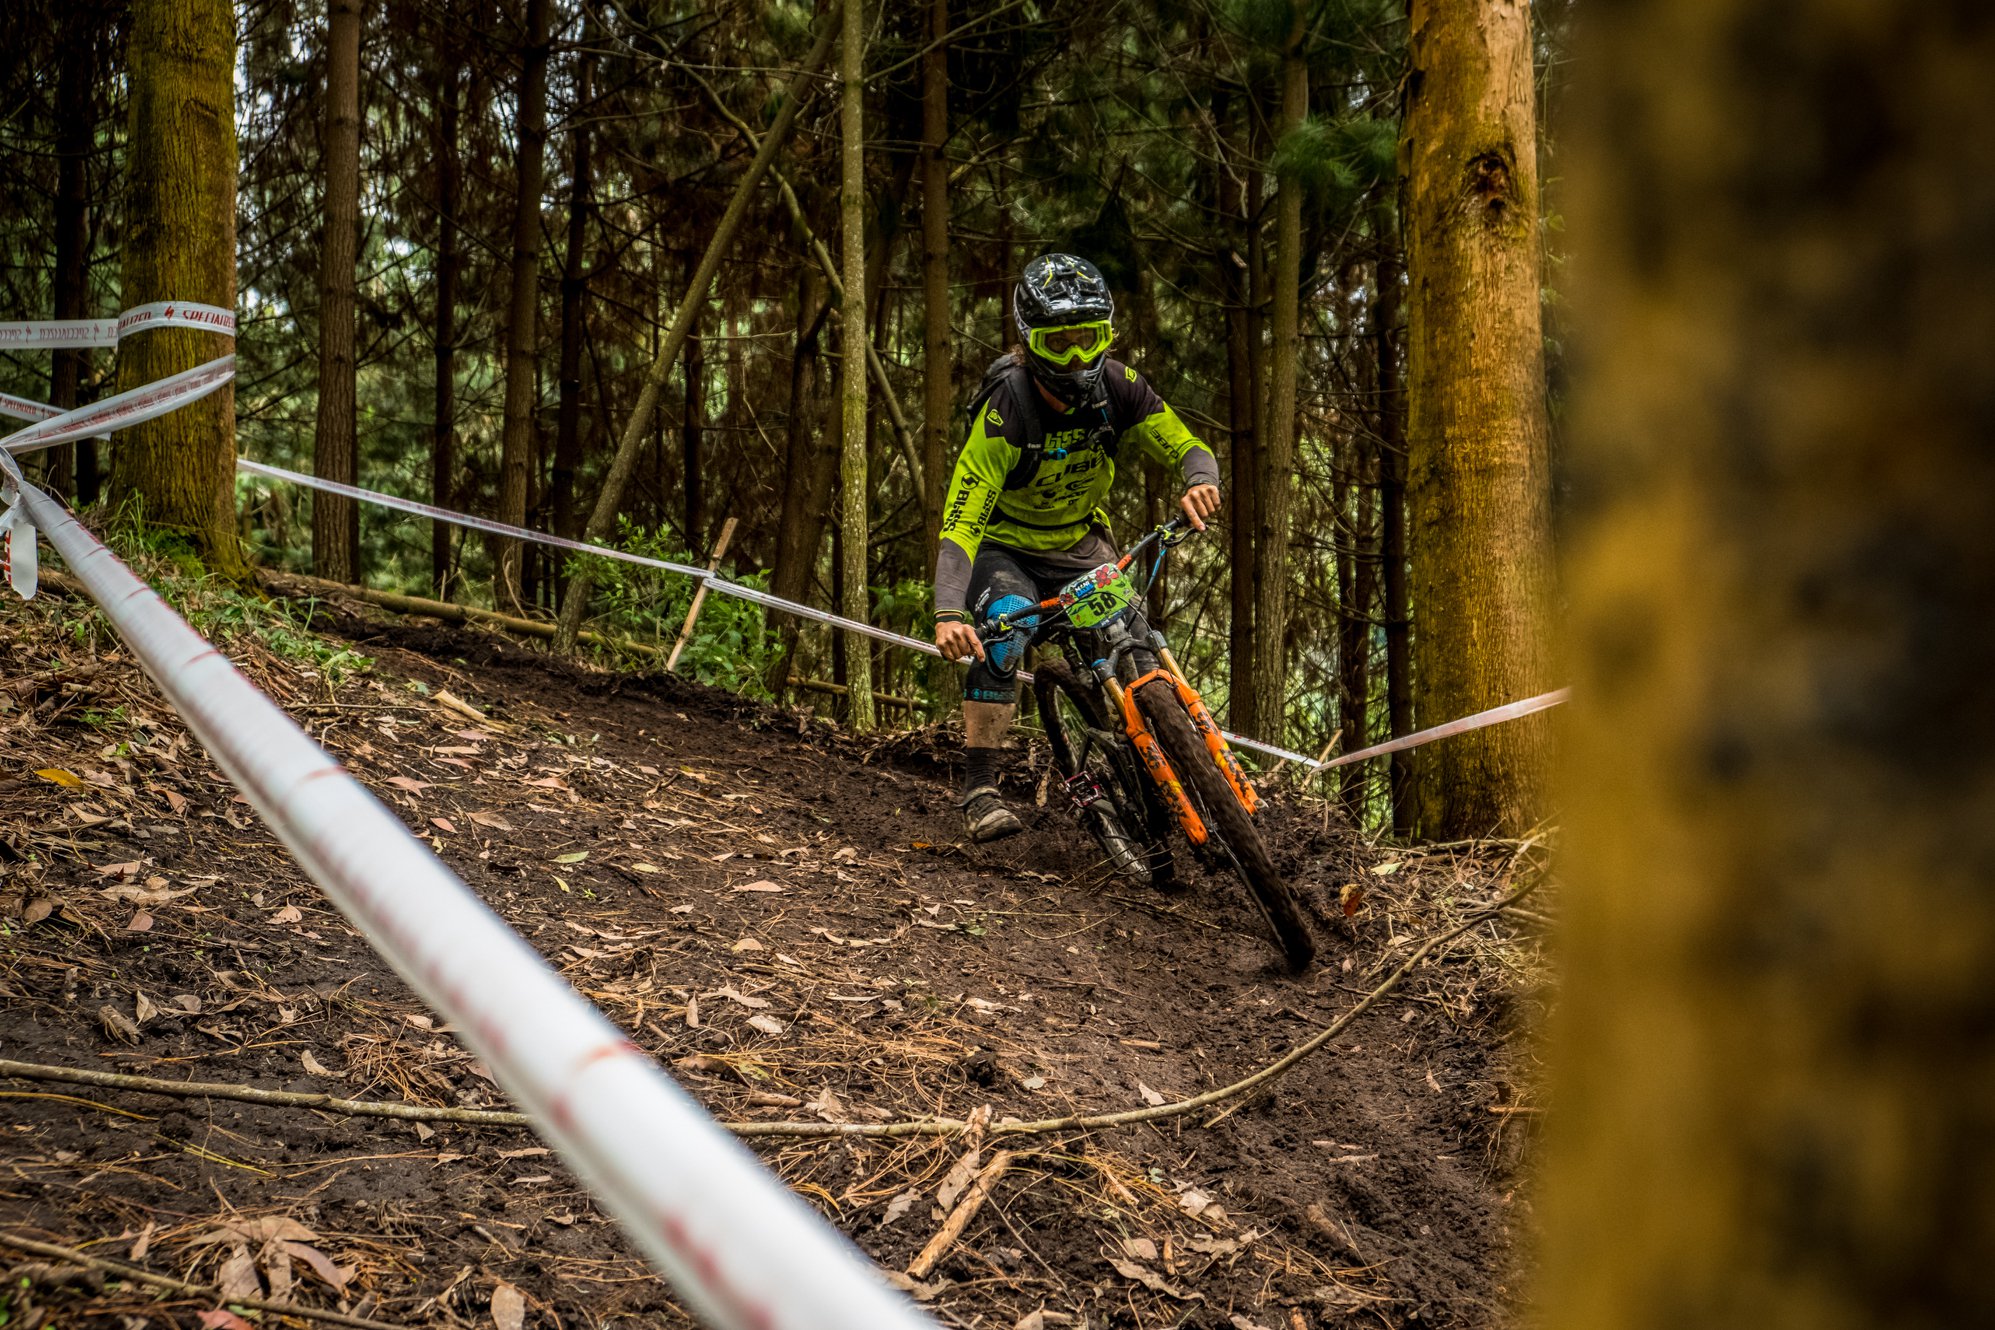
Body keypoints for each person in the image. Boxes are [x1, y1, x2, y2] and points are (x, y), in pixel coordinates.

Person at [933, 253, 1222, 842]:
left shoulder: (1119, 385)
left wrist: (1200, 481)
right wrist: (946, 611)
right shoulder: (1005, 411)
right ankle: (980, 790)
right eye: (1056, 342)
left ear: (1106, 335)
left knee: (1135, 638)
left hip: (1080, 544)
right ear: (1028, 341)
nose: (1076, 358)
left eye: (1088, 339)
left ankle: (1181, 766)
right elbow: (960, 523)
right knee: (1006, 632)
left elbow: (1185, 445)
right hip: (1004, 551)